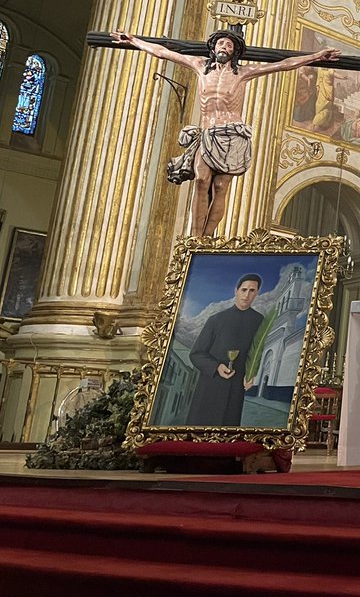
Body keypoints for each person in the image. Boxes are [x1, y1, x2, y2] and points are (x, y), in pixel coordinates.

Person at [112, 29, 340, 237]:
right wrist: (134, 40)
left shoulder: (242, 73)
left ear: (235, 52)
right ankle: (195, 237)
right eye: (221, 43)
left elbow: (283, 64)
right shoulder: (199, 66)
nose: (224, 47)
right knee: (201, 181)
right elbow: (163, 52)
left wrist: (316, 56)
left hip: (233, 135)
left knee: (220, 187)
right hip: (208, 133)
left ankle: (207, 236)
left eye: (229, 45)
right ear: (213, 47)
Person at [187, 273, 266, 426]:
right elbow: (196, 354)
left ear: (257, 293)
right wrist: (217, 367)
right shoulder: (216, 320)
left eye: (251, 291)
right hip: (210, 386)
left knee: (228, 434)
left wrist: (252, 373)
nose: (246, 295)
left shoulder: (259, 321)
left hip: (236, 388)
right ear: (236, 291)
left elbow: (259, 352)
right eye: (243, 290)